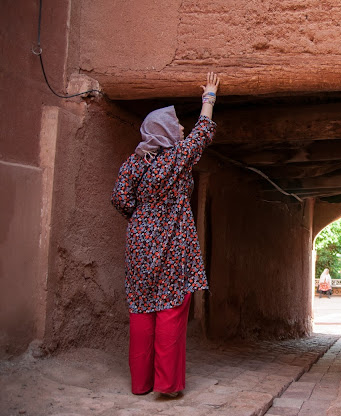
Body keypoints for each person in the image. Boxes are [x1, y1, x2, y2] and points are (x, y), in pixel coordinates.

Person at [111, 72, 220, 398]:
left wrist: (142, 217)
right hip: (171, 245)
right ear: (166, 132)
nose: (182, 130)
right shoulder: (175, 160)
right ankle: (167, 385)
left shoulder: (134, 162)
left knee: (142, 310)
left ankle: (140, 384)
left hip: (138, 246)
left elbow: (119, 198)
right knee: (171, 310)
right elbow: (201, 134)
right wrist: (209, 98)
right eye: (176, 126)